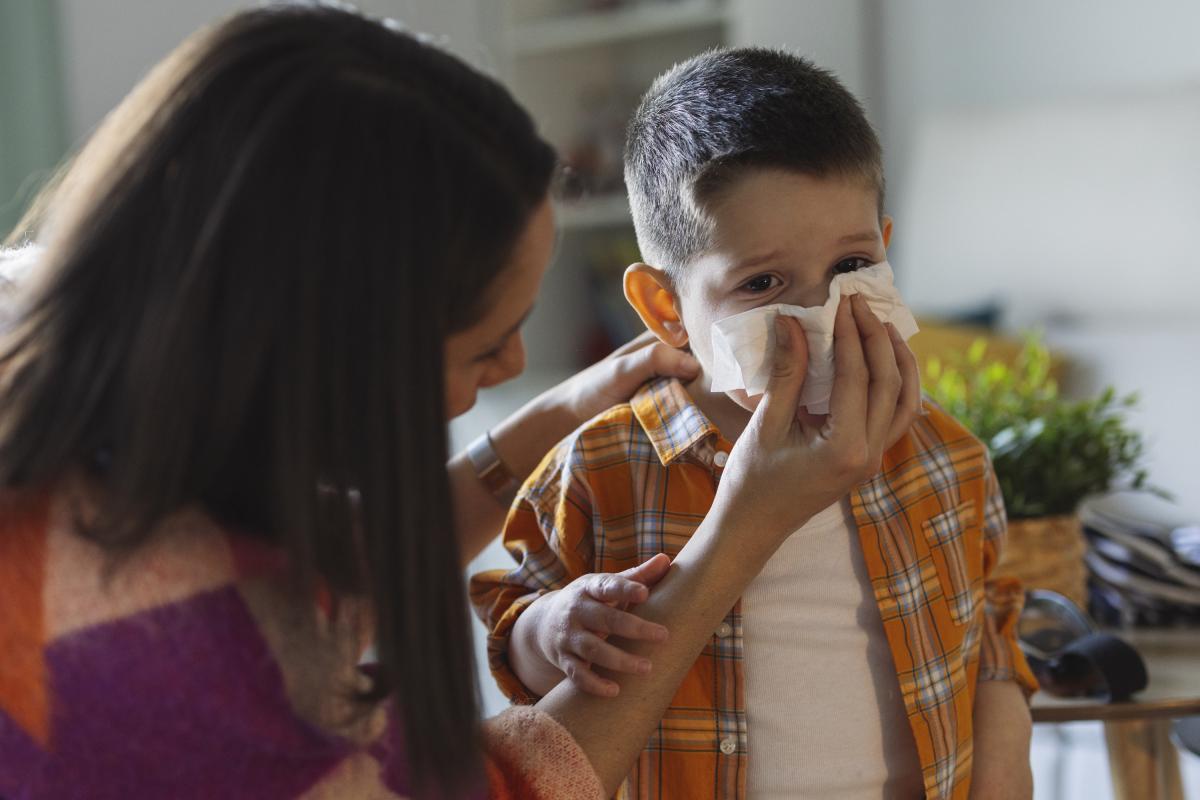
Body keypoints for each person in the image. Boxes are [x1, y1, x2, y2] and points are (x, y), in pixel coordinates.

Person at [0, 8, 921, 800]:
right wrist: (740, 532)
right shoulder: (173, 684)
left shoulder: (95, 418)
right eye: (485, 346)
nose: (520, 362)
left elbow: (305, 572)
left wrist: (545, 420)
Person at [472, 49, 1037, 800]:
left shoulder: (945, 456)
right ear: (667, 310)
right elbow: (519, 653)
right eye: (763, 283)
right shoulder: (601, 468)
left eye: (849, 266)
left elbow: (989, 630)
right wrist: (554, 631)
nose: (819, 317)